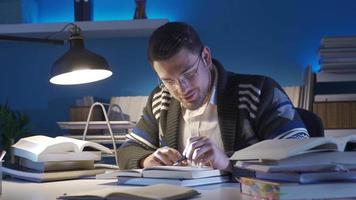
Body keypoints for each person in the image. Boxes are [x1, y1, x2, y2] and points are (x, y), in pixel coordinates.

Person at [118, 22, 309, 171]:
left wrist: (228, 164)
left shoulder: (259, 91)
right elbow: (126, 151)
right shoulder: (161, 100)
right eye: (168, 81)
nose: (181, 88)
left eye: (189, 74)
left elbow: (300, 153)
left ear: (206, 57)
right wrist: (147, 160)